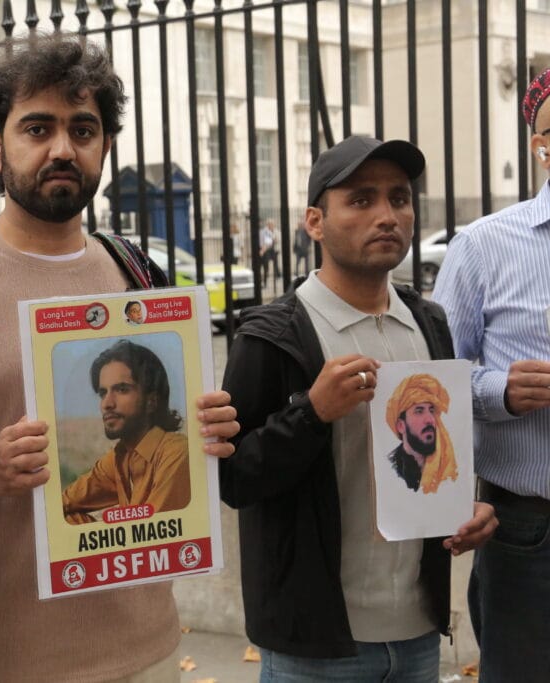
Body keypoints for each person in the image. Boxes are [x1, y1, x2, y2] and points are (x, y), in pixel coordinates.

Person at [0, 35, 240, 682]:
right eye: (37, 128)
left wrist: (203, 432)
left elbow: (179, 449)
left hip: (150, 651)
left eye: (83, 129)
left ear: (104, 145)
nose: (62, 149)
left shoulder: (141, 277)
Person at [219, 135, 497, 680]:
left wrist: (468, 509)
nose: (388, 215)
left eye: (399, 198)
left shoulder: (430, 323)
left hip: (417, 633)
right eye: (362, 200)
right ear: (315, 223)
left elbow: (436, 459)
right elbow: (233, 479)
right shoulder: (272, 336)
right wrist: (311, 411)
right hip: (315, 647)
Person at [432, 67, 550, 682]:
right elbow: (434, 381)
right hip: (526, 526)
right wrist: (500, 390)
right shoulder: (483, 246)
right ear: (540, 144)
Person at [62, 340, 190, 524]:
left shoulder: (176, 453)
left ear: (151, 401)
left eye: (122, 389)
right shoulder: (120, 457)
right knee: (69, 521)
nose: (107, 404)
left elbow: (152, 534)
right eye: (102, 393)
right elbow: (64, 503)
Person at [384, 373, 457, 494]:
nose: (430, 419)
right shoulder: (390, 471)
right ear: (401, 426)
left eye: (431, 410)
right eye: (419, 411)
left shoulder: (445, 464)